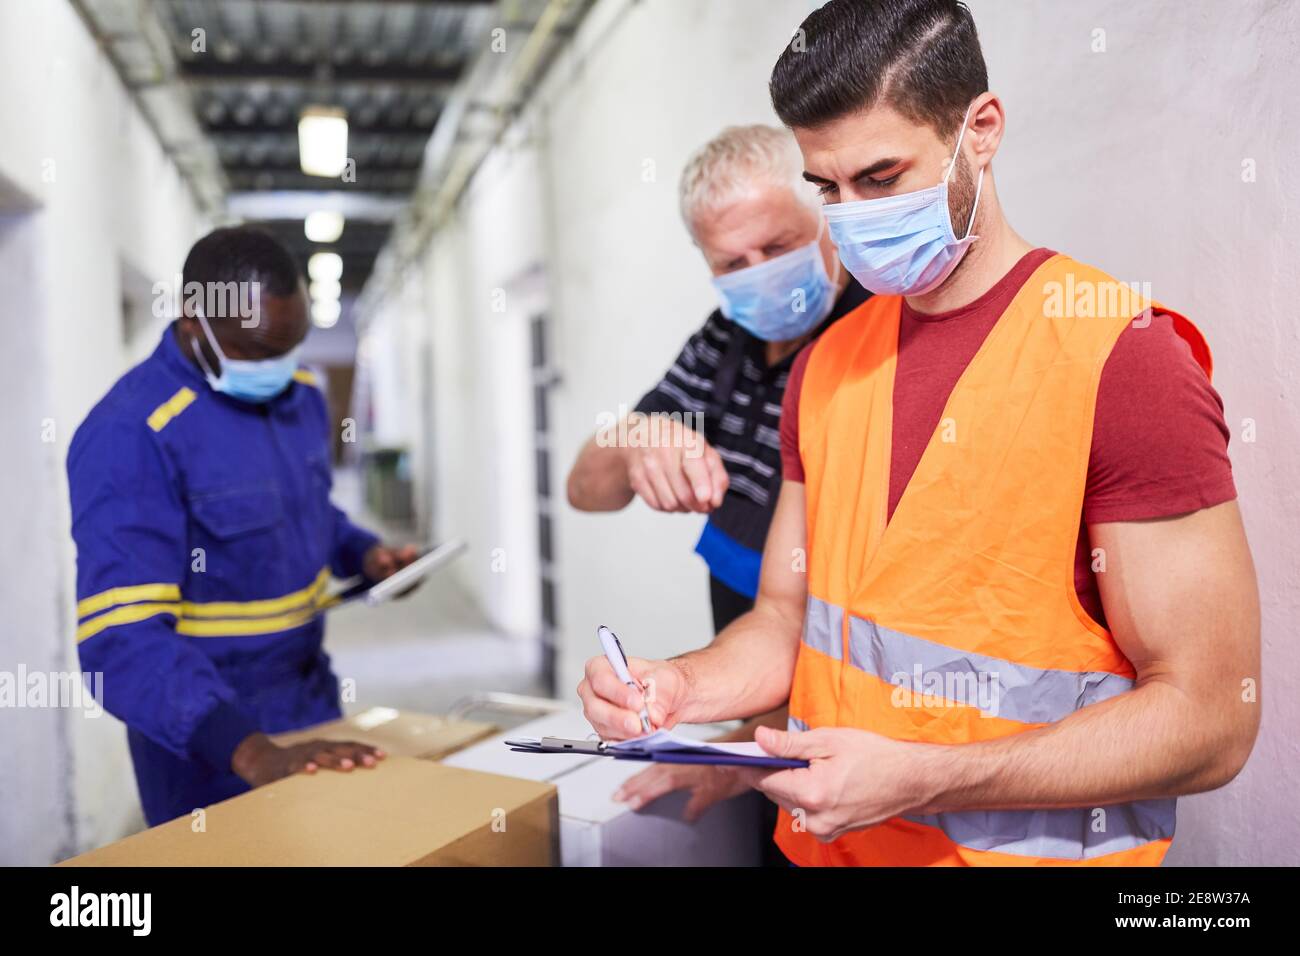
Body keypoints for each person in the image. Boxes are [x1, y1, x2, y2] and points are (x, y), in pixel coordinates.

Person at [578, 0, 1260, 866]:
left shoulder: (1121, 361)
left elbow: (1211, 720)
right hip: (824, 854)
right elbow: (786, 619)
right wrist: (686, 683)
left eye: (880, 177)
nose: (850, 215)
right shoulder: (828, 366)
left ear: (981, 130)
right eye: (825, 187)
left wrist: (927, 776)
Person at [566, 126, 869, 842]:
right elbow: (587, 489)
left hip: (841, 721)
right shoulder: (722, 343)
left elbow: (855, 641)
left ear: (825, 216)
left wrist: (738, 749)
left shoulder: (872, 344)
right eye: (733, 261)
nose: (760, 272)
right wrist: (637, 437)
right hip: (752, 677)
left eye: (780, 246)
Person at [68, 226, 419, 826]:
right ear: (193, 321)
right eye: (258, 351)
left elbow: (308, 513)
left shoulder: (302, 394)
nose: (279, 367)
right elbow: (120, 639)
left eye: (293, 344)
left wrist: (365, 556)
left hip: (311, 694)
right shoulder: (132, 433)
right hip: (207, 729)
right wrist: (252, 752)